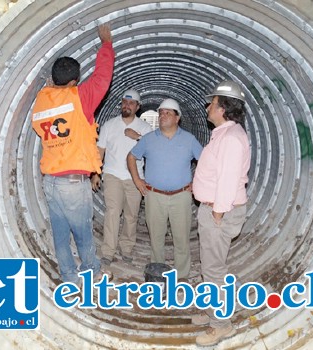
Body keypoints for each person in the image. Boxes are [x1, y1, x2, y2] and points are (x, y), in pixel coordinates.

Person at [30, 24, 114, 285]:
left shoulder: (43, 99)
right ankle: (94, 273)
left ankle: (68, 276)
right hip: (72, 184)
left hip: (51, 181)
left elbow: (36, 126)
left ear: (54, 80)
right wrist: (107, 44)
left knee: (60, 233)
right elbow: (102, 77)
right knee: (83, 233)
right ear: (74, 82)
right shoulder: (80, 97)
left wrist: (50, 89)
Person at [191, 81, 251, 346]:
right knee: (212, 266)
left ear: (223, 108)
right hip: (216, 210)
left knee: (214, 269)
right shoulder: (225, 134)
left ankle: (221, 325)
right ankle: (215, 309)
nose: (207, 107)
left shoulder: (231, 139)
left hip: (220, 212)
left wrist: (217, 213)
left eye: (212, 103)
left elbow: (227, 180)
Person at [127, 98, 203, 280]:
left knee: (181, 238)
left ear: (178, 118)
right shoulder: (148, 139)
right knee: (156, 238)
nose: (163, 116)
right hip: (154, 196)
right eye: (161, 112)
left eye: (168, 113)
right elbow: (131, 156)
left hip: (181, 196)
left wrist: (199, 182)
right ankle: (157, 272)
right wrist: (137, 180)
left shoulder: (189, 139)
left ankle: (181, 275)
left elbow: (205, 161)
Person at [91, 89, 153, 265]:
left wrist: (138, 137)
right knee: (112, 212)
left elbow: (153, 151)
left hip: (135, 178)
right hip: (112, 175)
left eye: (131, 103)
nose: (127, 105)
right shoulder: (109, 125)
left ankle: (126, 247)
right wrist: (95, 172)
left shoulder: (145, 128)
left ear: (138, 106)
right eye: (124, 102)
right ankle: (108, 251)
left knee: (131, 215)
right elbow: (100, 150)